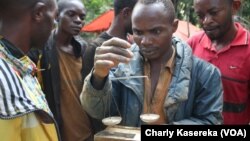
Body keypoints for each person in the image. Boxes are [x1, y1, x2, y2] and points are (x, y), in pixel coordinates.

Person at [80, 0, 223, 126]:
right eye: (138, 32)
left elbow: (210, 122)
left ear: (174, 27)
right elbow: (98, 112)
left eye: (156, 31)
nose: (145, 41)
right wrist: (98, 77)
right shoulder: (121, 65)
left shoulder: (206, 74)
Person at [0, 0, 59, 141]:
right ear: (39, 13)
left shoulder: (20, 65)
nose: (55, 25)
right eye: (55, 16)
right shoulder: (3, 79)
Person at [36, 0, 94, 140]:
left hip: (87, 131)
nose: (78, 20)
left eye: (82, 17)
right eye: (71, 14)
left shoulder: (84, 50)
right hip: (57, 132)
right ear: (56, 16)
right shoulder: (40, 49)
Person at [187, 0, 250, 124]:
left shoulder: (248, 50)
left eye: (214, 13)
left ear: (235, 6)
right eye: (200, 16)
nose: (206, 21)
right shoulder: (192, 44)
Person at [82, 0, 138, 80]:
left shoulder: (134, 45)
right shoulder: (96, 48)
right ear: (126, 13)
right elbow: (85, 89)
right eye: (138, 14)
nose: (142, 20)